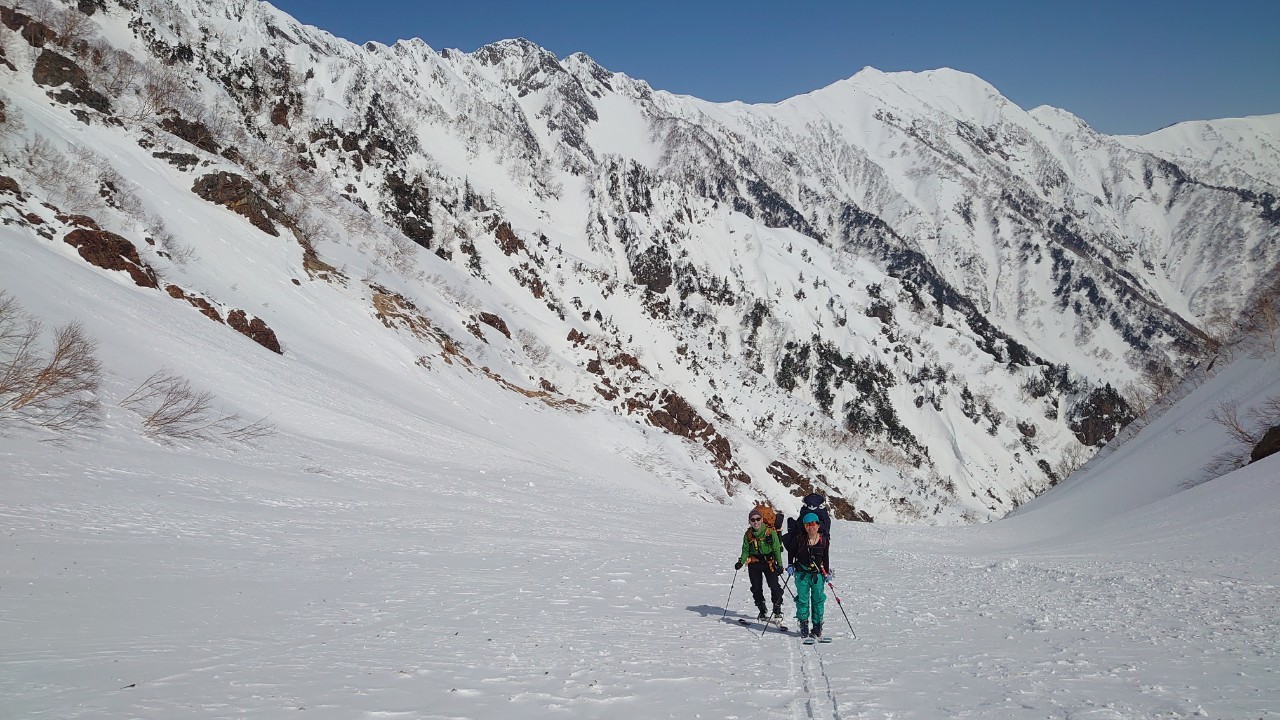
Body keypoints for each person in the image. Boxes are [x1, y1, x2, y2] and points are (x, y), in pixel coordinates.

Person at [734, 509, 785, 623]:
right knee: (756, 588)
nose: (755, 522)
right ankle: (762, 610)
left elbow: (776, 549)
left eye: (758, 519)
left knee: (774, 586)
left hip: (769, 563)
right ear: (749, 521)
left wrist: (780, 565)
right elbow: (745, 550)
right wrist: (740, 562)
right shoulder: (748, 534)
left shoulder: (770, 532)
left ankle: (777, 610)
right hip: (754, 564)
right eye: (753, 520)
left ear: (762, 519)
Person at [790, 512, 830, 640]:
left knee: (818, 599)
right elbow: (791, 552)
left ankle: (817, 625)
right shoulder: (799, 539)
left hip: (817, 575)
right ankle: (804, 623)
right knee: (803, 600)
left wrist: (827, 573)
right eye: (807, 524)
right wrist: (790, 564)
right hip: (802, 573)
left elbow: (826, 557)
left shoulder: (824, 540)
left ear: (818, 525)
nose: (810, 527)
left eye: (813, 524)